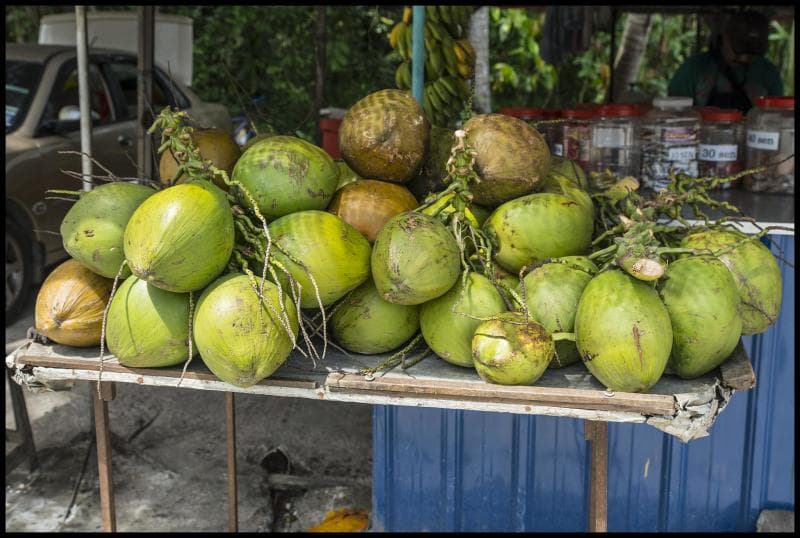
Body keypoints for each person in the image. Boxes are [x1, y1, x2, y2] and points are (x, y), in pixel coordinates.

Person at [668, 10, 784, 112]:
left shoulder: (768, 73)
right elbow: (675, 111)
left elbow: (778, 114)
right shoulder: (694, 68)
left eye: (752, 55)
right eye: (738, 51)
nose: (744, 59)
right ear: (725, 38)